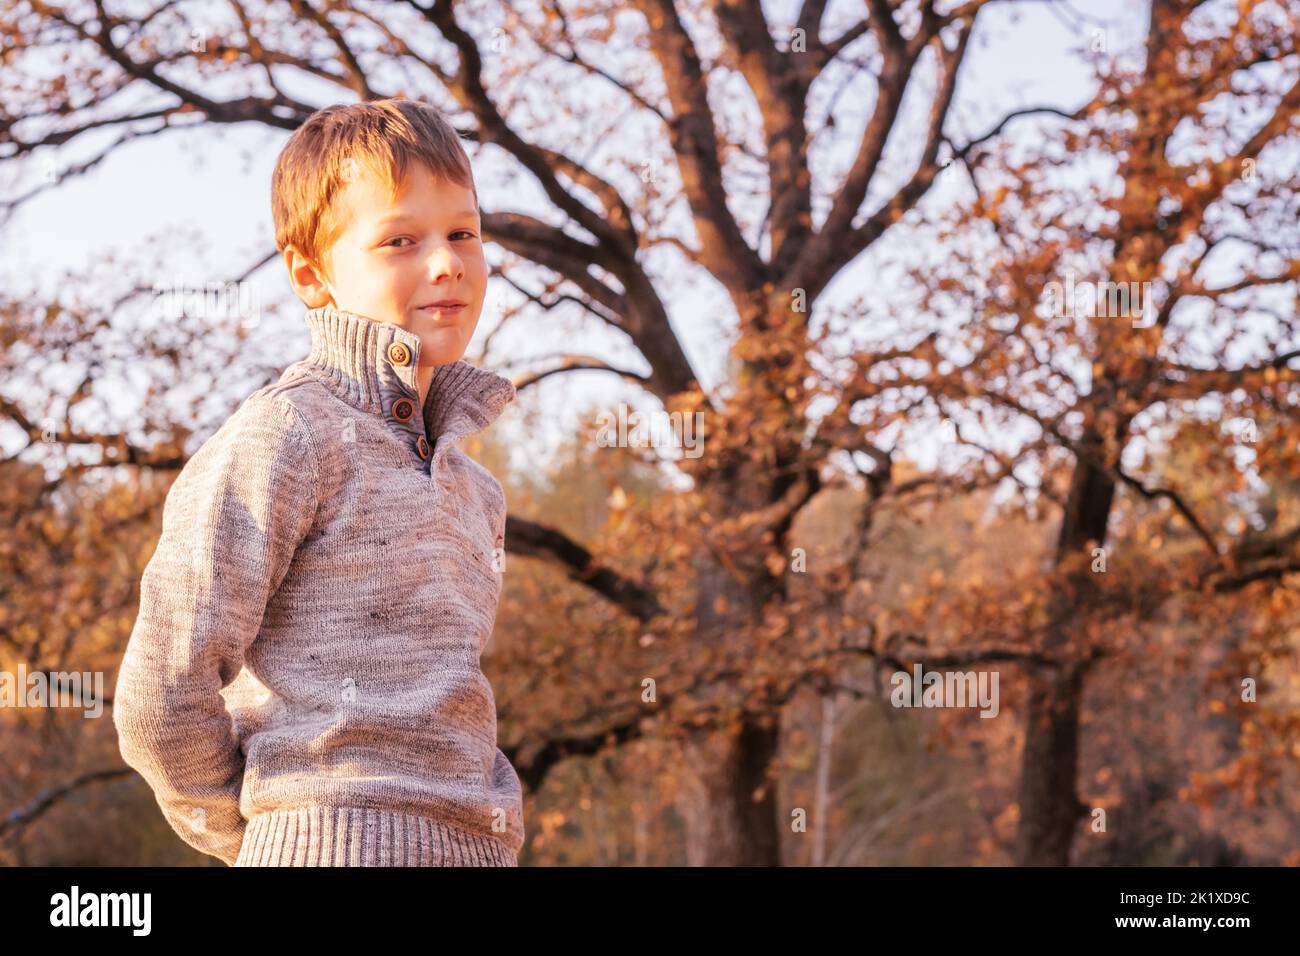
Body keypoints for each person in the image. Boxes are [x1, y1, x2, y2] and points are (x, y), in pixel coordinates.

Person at [112, 98, 525, 866]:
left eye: (463, 232)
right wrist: (266, 840)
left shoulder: (477, 492)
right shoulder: (287, 437)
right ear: (311, 274)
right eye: (400, 239)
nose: (446, 261)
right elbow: (163, 691)